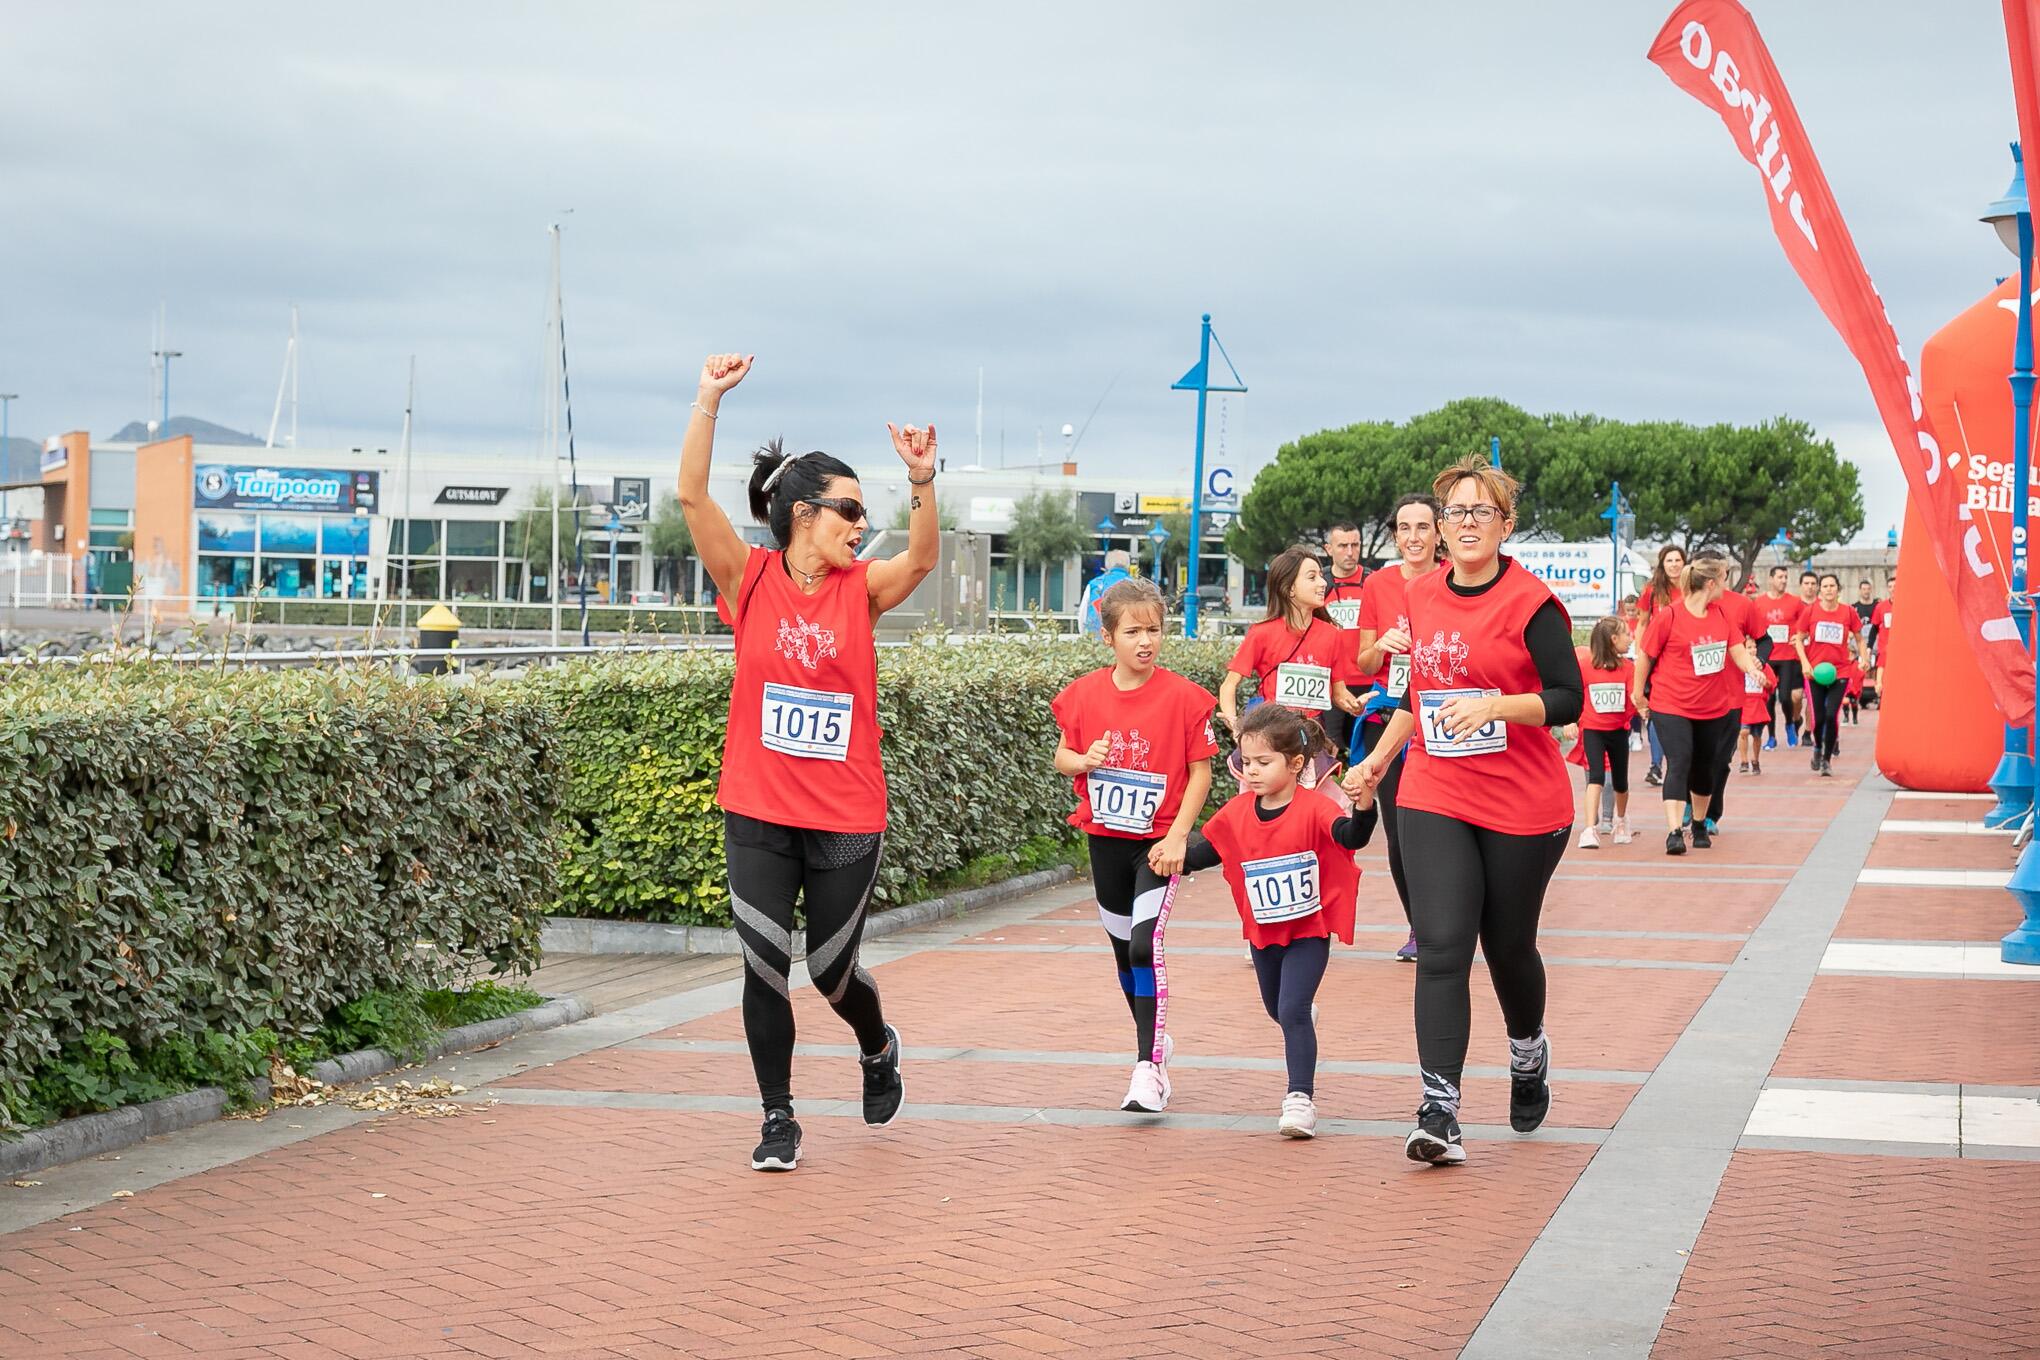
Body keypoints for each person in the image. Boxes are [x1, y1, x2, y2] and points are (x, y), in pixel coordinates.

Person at [678, 352, 938, 1172]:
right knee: (763, 967)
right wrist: (708, 399)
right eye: (849, 509)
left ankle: (875, 1043)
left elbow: (922, 560)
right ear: (801, 514)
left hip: (845, 816)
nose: (861, 524)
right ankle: (777, 1118)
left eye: (865, 511)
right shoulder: (746, 579)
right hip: (756, 809)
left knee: (830, 971)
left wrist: (923, 483)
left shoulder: (859, 590)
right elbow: (691, 496)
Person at [1346, 455, 1581, 1167]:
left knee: (1507, 946)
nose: (1467, 523)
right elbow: (1420, 700)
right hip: (1437, 791)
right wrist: (1379, 760)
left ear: (1506, 525)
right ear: (1440, 530)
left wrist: (1497, 705)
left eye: (1482, 512)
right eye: (1456, 513)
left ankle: (1527, 1051)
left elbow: (1568, 698)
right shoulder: (1419, 599)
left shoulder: (1531, 603)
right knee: (1443, 945)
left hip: (1522, 800)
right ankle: (1438, 1109)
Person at [1052, 577, 1217, 1113]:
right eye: (1132, 631)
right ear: (1108, 637)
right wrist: (1085, 762)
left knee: (1146, 944)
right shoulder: (1083, 695)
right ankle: (1153, 1038)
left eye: (1154, 630)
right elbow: (1063, 757)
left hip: (1156, 845)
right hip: (1105, 840)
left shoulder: (1185, 698)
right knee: (1123, 950)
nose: (1145, 641)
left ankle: (1149, 1068)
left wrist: (1176, 837)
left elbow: (1201, 774)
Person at [1181, 704, 1377, 1138]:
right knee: (1279, 1008)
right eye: (1246, 763)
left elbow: (1352, 837)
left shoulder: (1314, 808)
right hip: (1264, 931)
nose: (1251, 772)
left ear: (1296, 765)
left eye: (1263, 763)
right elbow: (1206, 851)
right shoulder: (1237, 813)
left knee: (1291, 1010)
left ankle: (1299, 1099)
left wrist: (1365, 807)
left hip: (1309, 930)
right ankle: (1301, 1018)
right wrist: (1168, 857)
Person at [1350, 493, 1444, 962]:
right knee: (1401, 834)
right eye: (1403, 528)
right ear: (1394, 535)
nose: (1413, 537)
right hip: (1390, 722)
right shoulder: (1379, 586)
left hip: (1442, 721)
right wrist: (1384, 645)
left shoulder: (1453, 580)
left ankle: (1452, 921)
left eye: (1422, 527)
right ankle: (1420, 927)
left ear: (1438, 533)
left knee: (1441, 829)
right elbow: (1363, 660)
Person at [1634, 559, 1769, 855]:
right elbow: (1645, 654)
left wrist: (1753, 669)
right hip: (1671, 702)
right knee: (1679, 761)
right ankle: (1673, 832)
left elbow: (1737, 650)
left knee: (1705, 767)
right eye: (1723, 580)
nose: (1726, 586)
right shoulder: (1670, 615)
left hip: (1712, 706)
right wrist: (1637, 692)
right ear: (1711, 583)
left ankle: (1698, 823)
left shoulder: (1721, 614)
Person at [1221, 546, 1363, 772]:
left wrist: (1354, 705)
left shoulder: (1332, 635)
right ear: (1289, 589)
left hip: (1311, 738)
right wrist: (1233, 722)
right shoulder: (1262, 633)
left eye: (1320, 575)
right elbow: (1229, 685)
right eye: (1312, 577)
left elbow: (1338, 692)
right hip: (1269, 736)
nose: (1323, 583)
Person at [1571, 615, 1636, 849]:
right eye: (1627, 634)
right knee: (1595, 776)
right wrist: (1571, 721)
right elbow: (1575, 696)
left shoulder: (1628, 668)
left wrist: (1640, 706)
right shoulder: (1586, 666)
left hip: (1618, 730)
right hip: (1593, 729)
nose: (1631, 638)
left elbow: (1633, 698)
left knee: (1620, 781)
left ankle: (1620, 820)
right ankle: (1589, 828)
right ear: (1613, 638)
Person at [1793, 572, 1862, 776]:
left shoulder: (1848, 612)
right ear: (1819, 591)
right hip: (1815, 672)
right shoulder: (1810, 611)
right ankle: (1816, 748)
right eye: (1825, 586)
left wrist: (1864, 658)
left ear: (1838, 590)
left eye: (1832, 586)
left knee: (1832, 715)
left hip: (1840, 671)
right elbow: (1798, 639)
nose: (1828, 589)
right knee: (1819, 718)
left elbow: (1859, 638)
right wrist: (1805, 663)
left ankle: (1826, 760)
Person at [1638, 544, 1687, 787]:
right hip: (1655, 657)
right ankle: (1656, 765)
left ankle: (1677, 762)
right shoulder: (1652, 590)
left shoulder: (1691, 589)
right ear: (1662, 564)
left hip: (1682, 659)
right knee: (1655, 712)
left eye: (1678, 560)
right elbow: (1642, 624)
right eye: (1670, 560)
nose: (1674, 564)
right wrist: (1640, 654)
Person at [1321, 522, 1369, 757]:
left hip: (1370, 682)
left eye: (1355, 545)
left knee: (1367, 753)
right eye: (1342, 546)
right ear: (1329, 549)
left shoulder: (1373, 582)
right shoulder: (1319, 585)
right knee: (1331, 749)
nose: (1350, 552)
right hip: (1333, 685)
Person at [1754, 565, 1801, 749]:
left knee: (1785, 698)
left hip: (1788, 657)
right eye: (1780, 577)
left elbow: (1803, 624)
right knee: (1769, 699)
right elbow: (1753, 626)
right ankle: (1771, 736)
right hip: (1767, 657)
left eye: (1785, 577)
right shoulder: (1759, 602)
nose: (1783, 580)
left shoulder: (1795, 602)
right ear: (1771, 579)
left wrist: (1800, 636)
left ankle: (1790, 723)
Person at [1737, 651, 1776, 775]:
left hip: (1758, 706)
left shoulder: (1764, 666)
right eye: (1748, 647)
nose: (1752, 650)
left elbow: (1772, 685)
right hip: (1744, 705)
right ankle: (1743, 761)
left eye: (1754, 647)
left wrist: (1766, 683)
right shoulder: (1740, 665)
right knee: (1744, 732)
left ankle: (1755, 760)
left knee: (1757, 735)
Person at [1079, 550, 1134, 636]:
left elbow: (1082, 616)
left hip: (1096, 641)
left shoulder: (1095, 584)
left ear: (1106, 565)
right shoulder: (1137, 586)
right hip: (1128, 640)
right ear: (1128, 566)